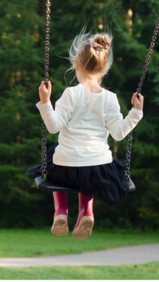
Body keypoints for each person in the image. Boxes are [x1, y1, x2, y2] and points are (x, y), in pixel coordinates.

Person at [26, 29, 144, 239]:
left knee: (55, 157)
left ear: (76, 65)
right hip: (98, 169)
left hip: (66, 167)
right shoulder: (110, 98)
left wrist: (45, 102)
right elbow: (118, 134)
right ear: (105, 68)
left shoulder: (70, 94)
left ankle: (60, 212)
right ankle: (86, 212)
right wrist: (136, 112)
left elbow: (53, 127)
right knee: (89, 171)